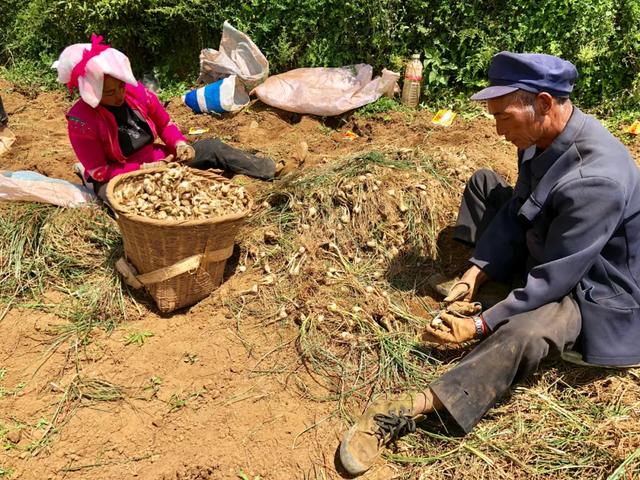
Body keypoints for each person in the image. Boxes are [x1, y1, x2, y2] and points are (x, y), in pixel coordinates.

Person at [338, 51, 640, 476]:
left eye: (504, 117)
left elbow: (555, 278)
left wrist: (480, 326)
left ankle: (414, 406)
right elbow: (521, 207)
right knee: (485, 184)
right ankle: (490, 288)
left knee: (531, 327)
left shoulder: (597, 178)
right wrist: (475, 271)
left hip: (596, 284)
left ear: (545, 104)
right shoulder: (540, 136)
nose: (498, 131)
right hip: (554, 240)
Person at [52, 35, 276, 201]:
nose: (120, 95)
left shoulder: (136, 92)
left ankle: (268, 169)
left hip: (160, 160)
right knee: (125, 199)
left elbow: (164, 124)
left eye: (121, 86)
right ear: (91, 92)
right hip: (120, 176)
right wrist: (142, 169)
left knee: (212, 147)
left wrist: (178, 144)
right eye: (109, 93)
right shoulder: (81, 122)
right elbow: (101, 170)